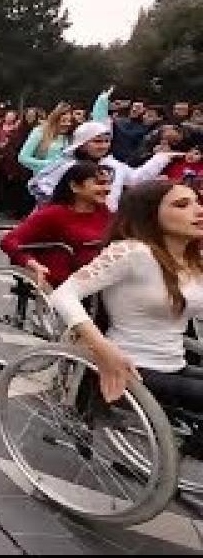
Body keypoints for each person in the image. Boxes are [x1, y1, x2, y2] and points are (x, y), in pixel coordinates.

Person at [49, 181, 203, 430]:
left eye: (198, 202)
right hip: (133, 366)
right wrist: (102, 348)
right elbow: (63, 295)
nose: (198, 210)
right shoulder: (132, 253)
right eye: (182, 205)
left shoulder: (194, 259)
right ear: (150, 213)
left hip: (175, 362)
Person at [0, 162, 113, 290]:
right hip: (66, 281)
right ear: (75, 186)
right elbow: (8, 241)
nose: (107, 189)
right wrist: (30, 262)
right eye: (100, 183)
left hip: (99, 274)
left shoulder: (102, 211)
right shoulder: (54, 214)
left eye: (108, 183)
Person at [29, 119, 175, 211]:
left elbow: (136, 178)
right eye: (97, 141)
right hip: (71, 222)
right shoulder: (66, 165)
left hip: (105, 222)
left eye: (107, 141)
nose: (104, 145)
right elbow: (41, 188)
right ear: (82, 143)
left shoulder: (113, 164)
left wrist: (161, 158)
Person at [18, 103, 74, 174]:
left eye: (70, 121)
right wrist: (50, 164)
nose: (67, 124)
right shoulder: (40, 131)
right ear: (55, 119)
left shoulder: (70, 136)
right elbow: (22, 158)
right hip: (42, 179)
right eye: (63, 121)